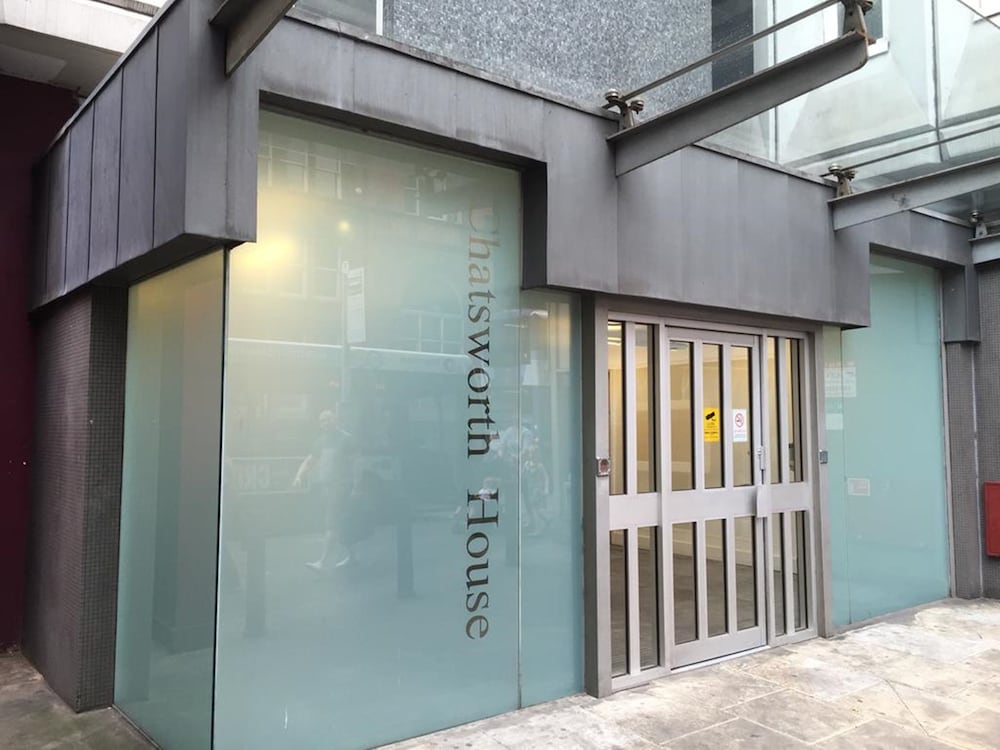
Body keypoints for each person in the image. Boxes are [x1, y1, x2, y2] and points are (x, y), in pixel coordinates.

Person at [293, 408, 356, 570]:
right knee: (339, 522)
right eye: (322, 420)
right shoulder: (320, 441)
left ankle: (322, 561)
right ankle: (352, 555)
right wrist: (299, 476)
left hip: (341, 486)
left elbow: (356, 464)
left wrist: (356, 486)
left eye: (328, 419)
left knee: (331, 522)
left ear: (335, 420)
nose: (325, 423)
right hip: (327, 487)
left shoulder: (346, 439)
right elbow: (310, 461)